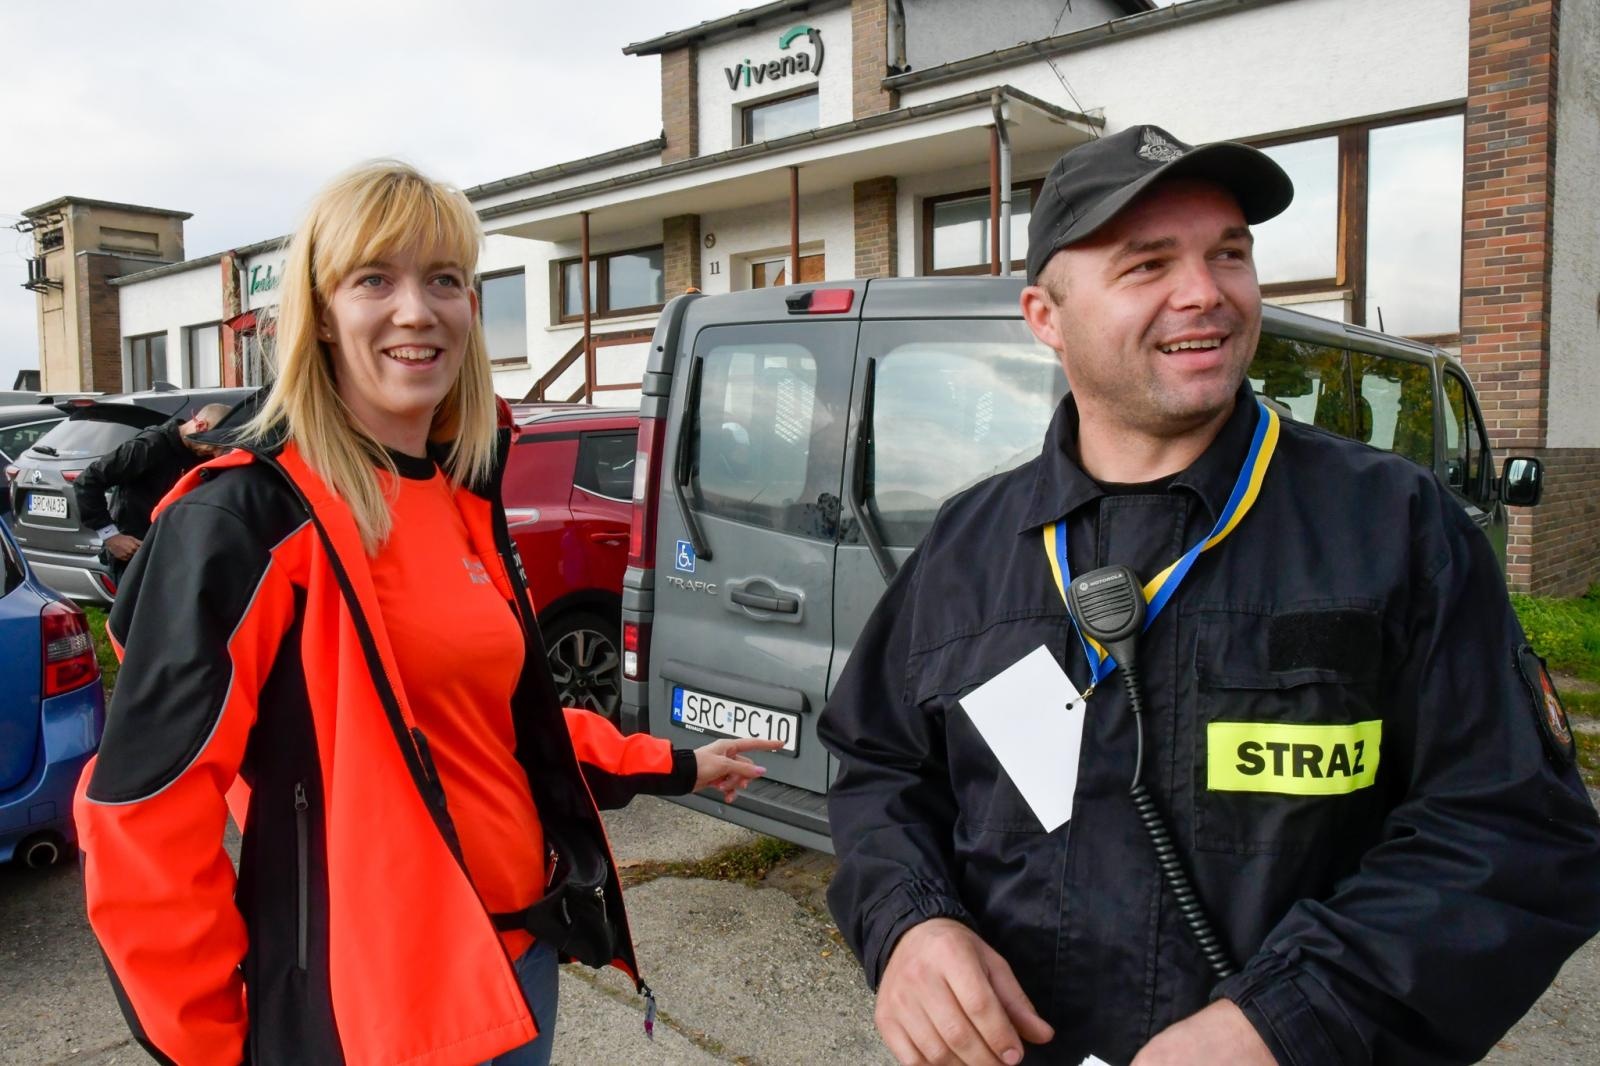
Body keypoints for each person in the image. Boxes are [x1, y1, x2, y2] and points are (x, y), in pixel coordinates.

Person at [818, 124, 1600, 1066]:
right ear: (1046, 317)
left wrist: (1292, 1021)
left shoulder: (1395, 527)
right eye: (1148, 264)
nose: (1206, 291)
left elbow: (1514, 832)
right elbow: (879, 767)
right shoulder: (968, 544)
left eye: (1229, 254)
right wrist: (909, 923)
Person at [73, 161, 779, 1066]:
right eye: (375, 279)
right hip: (376, 1019)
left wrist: (674, 762)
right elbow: (143, 814)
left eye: (444, 279)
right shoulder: (248, 522)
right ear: (322, 313)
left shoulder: (459, 496)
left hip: (516, 971)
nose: (417, 310)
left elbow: (493, 730)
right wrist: (213, 1046)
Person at [74, 402, 231, 586]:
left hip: (169, 554)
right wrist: (111, 536)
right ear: (201, 426)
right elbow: (88, 480)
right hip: (134, 554)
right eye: (213, 446)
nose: (215, 455)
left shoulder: (195, 452)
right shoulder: (149, 446)